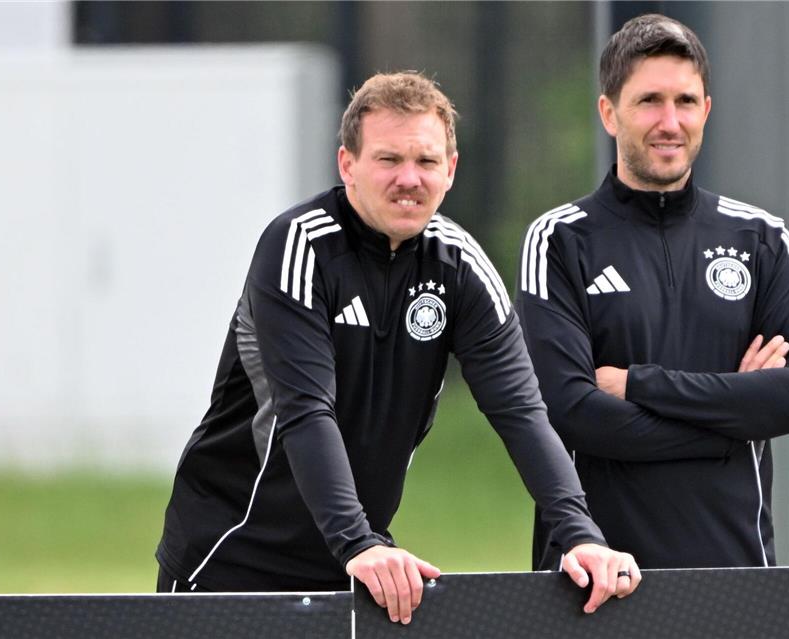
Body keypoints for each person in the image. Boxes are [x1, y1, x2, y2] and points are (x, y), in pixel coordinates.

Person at [155, 71, 640, 624]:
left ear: (450, 170)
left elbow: (522, 413)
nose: (409, 179)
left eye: (426, 162)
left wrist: (580, 534)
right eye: (388, 160)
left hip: (357, 564)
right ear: (347, 165)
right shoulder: (297, 247)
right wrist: (357, 541)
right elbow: (308, 412)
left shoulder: (460, 267)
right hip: (233, 557)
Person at [516, 14, 789, 571]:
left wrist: (639, 383)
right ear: (609, 112)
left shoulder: (761, 238)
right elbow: (571, 413)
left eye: (685, 101)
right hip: (595, 579)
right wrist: (733, 421)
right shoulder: (559, 240)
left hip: (736, 573)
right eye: (649, 101)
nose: (669, 121)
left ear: (706, 109)